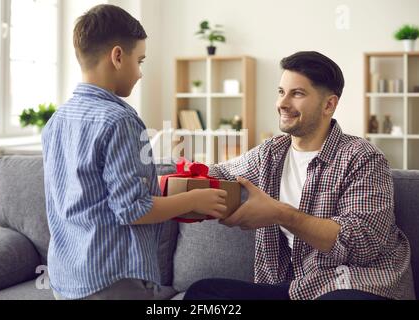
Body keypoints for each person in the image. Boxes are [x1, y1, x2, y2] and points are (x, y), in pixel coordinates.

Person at [184, 51, 413, 300]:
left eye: (297, 94)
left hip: (357, 284)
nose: (283, 103)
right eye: (281, 92)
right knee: (203, 293)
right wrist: (169, 181)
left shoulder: (362, 157)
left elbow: (362, 243)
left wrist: (279, 213)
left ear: (329, 104)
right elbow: (221, 173)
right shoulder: (270, 153)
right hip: (297, 288)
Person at [41, 4, 227, 300]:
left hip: (66, 277)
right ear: (117, 56)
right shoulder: (120, 120)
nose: (140, 73)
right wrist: (194, 199)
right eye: (140, 60)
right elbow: (133, 209)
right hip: (111, 280)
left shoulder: (57, 120)